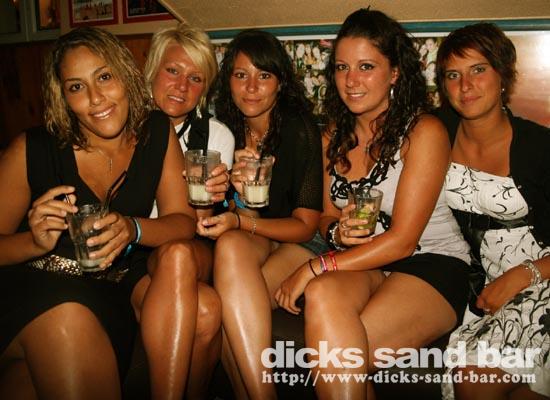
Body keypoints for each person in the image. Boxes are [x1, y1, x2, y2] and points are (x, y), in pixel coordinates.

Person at [0, 27, 220, 400]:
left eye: (104, 77)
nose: (95, 98)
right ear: (63, 97)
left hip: (113, 287)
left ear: (125, 74)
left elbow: (182, 221)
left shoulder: (155, 131)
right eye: (76, 87)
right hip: (38, 287)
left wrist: (133, 229)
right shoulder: (31, 149)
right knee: (69, 322)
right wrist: (33, 242)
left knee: (206, 308)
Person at [275, 9, 471, 399]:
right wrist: (337, 232)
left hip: (430, 262)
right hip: (364, 262)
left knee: (339, 357)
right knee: (324, 296)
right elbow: (325, 216)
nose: (351, 80)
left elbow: (402, 241)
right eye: (342, 67)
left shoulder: (424, 131)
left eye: (366, 66)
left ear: (394, 72)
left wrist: (315, 265)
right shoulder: (331, 137)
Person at [196, 29, 323, 399]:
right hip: (254, 237)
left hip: (302, 242)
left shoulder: (299, 130)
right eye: (241, 75)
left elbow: (306, 227)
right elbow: (233, 215)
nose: (251, 87)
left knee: (227, 310)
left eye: (263, 75)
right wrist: (238, 194)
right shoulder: (225, 130)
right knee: (231, 245)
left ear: (280, 83)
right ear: (228, 81)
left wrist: (240, 219)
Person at [435, 23, 550, 399]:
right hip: (478, 285)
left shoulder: (540, 146)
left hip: (541, 276)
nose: (465, 86)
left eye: (478, 70)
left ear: (503, 75)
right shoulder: (435, 133)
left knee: (475, 375)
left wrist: (524, 275)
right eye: (453, 75)